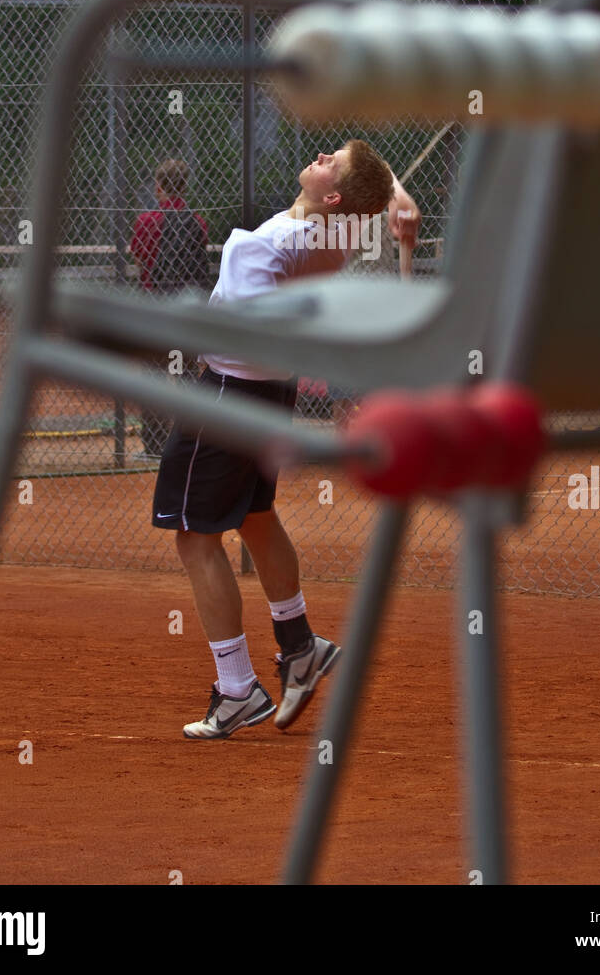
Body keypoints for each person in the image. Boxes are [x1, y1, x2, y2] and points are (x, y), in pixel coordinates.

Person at [150, 139, 420, 739]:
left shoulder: (265, 246)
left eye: (332, 161)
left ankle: (237, 689)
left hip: (226, 395)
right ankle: (298, 646)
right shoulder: (338, 230)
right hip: (271, 397)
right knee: (256, 517)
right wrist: (398, 200)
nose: (323, 154)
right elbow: (371, 186)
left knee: (195, 540)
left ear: (333, 194)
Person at [129, 159, 209, 459]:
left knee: (153, 375)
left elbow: (139, 261)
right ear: (184, 186)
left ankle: (154, 446)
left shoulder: (147, 220)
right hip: (185, 308)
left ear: (158, 186)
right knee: (187, 373)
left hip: (154, 307)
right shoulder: (197, 220)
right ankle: (189, 443)